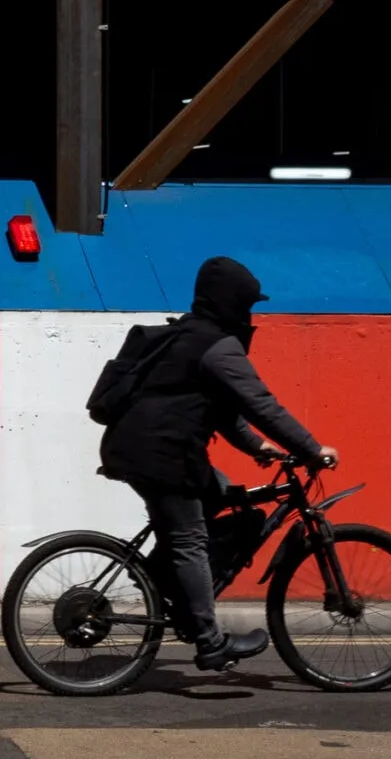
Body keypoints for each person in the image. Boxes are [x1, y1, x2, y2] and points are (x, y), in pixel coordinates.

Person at [99, 255, 336, 671]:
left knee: (222, 493)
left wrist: (257, 447)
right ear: (231, 303)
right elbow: (261, 404)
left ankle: (164, 583)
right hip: (163, 456)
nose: (249, 315)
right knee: (190, 540)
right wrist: (312, 449)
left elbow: (222, 409)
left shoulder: (190, 336)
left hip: (141, 447)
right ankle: (210, 643)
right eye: (246, 306)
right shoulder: (218, 346)